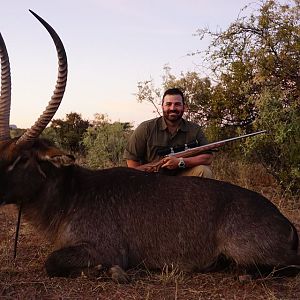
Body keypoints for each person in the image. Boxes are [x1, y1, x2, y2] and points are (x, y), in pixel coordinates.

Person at [123, 88, 213, 178]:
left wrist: (181, 162)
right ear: (162, 106)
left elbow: (208, 157)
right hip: (151, 180)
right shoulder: (145, 128)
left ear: (184, 107)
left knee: (203, 171)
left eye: (177, 104)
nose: (173, 108)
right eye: (168, 104)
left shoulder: (195, 129)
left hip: (183, 178)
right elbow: (132, 160)